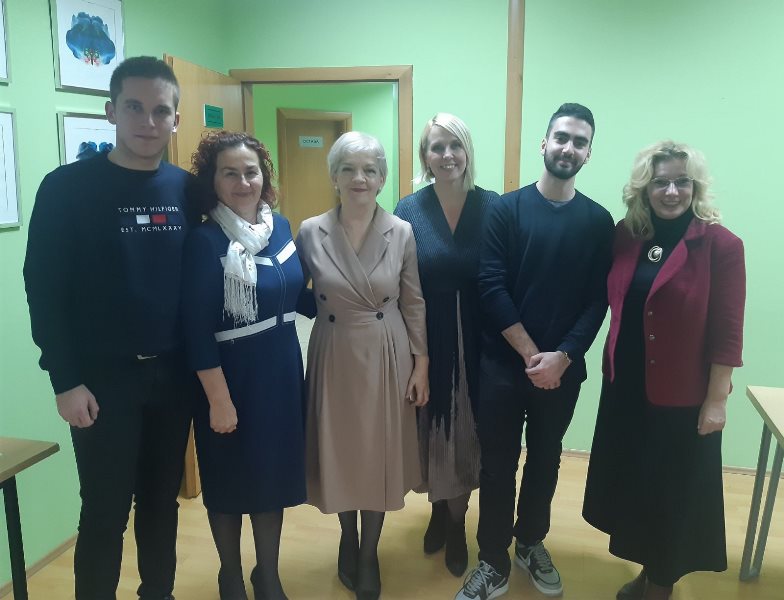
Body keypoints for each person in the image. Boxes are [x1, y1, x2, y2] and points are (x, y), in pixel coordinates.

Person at [23, 56, 194, 600]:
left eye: (160, 110)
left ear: (176, 119)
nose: (148, 121)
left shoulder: (189, 191)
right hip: (100, 383)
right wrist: (65, 381)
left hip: (174, 377)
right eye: (134, 107)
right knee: (104, 511)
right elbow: (43, 289)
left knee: (161, 504)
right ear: (111, 111)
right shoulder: (67, 188)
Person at [456, 103, 614, 600]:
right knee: (497, 465)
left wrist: (562, 357)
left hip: (562, 373)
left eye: (580, 142)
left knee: (546, 459)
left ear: (588, 154)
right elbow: (491, 285)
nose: (569, 147)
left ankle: (530, 542)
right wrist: (531, 356)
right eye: (561, 137)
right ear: (544, 144)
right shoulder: (505, 210)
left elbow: (598, 299)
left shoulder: (599, 222)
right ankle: (492, 560)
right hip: (502, 368)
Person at [582, 141, 746, 600]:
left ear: (695, 186)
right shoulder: (627, 235)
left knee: (671, 496)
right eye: (660, 183)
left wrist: (717, 400)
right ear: (644, 188)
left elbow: (728, 333)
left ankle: (661, 585)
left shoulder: (721, 245)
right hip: (626, 388)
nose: (671, 192)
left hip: (682, 398)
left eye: (681, 182)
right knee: (638, 489)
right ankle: (649, 572)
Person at [296, 131, 429, 600]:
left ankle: (369, 551)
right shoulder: (310, 230)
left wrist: (421, 365)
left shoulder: (401, 231)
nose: (360, 178)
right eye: (348, 169)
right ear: (334, 176)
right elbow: (290, 290)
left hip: (385, 350)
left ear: (382, 178)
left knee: (378, 452)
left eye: (370, 170)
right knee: (340, 448)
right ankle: (346, 537)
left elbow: (414, 302)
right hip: (333, 350)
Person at [182, 131, 310, 600]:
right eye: (229, 173)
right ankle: (231, 575)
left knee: (272, 477)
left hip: (280, 371)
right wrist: (219, 400)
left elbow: (295, 294)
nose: (243, 182)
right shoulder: (204, 240)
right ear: (212, 181)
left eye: (251, 172)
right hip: (228, 378)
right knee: (229, 479)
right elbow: (195, 328)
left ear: (264, 176)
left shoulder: (281, 228)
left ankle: (268, 574)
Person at [395, 113, 499, 577]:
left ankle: (457, 524)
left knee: (467, 431)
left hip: (481, 339)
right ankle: (439, 509)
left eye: (455, 145)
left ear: (467, 151)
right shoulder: (408, 209)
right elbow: (397, 278)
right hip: (425, 337)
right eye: (437, 147)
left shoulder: (493, 206)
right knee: (430, 428)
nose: (447, 155)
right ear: (425, 156)